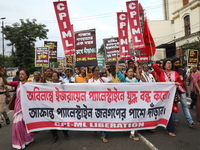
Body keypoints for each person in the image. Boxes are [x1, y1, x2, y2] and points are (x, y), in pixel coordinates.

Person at [0, 67, 34, 149]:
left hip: (27, 108)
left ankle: (27, 139)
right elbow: (6, 82)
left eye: (23, 74)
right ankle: (19, 142)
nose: (21, 75)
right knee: (18, 125)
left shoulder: (31, 84)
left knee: (25, 125)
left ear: (27, 76)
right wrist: (3, 75)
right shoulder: (17, 84)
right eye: (20, 74)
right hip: (18, 107)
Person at [153, 58, 183, 137]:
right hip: (162, 96)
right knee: (164, 111)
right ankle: (170, 129)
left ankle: (168, 127)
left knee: (170, 111)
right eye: (167, 63)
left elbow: (181, 83)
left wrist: (177, 84)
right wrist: (159, 62)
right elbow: (154, 66)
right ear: (164, 65)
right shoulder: (161, 72)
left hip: (172, 96)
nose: (169, 65)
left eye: (170, 63)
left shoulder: (175, 73)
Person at [116, 57, 139, 141]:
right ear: (126, 73)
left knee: (133, 116)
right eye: (129, 72)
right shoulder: (123, 80)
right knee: (126, 116)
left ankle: (132, 133)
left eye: (132, 72)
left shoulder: (136, 81)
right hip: (125, 102)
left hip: (134, 102)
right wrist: (118, 61)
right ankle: (126, 127)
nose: (131, 73)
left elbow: (139, 77)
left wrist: (136, 68)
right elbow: (117, 72)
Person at [171, 57, 199, 127]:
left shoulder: (181, 71)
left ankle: (190, 121)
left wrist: (186, 90)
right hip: (173, 91)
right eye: (176, 63)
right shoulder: (170, 71)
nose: (178, 64)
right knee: (174, 105)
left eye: (178, 63)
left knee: (185, 106)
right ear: (173, 64)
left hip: (181, 90)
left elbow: (184, 81)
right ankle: (175, 120)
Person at [88, 66, 111, 143]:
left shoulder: (103, 79)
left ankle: (103, 135)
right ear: (93, 72)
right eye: (96, 70)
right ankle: (95, 129)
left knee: (102, 118)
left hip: (102, 102)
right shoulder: (90, 81)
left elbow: (110, 78)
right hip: (93, 102)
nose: (98, 72)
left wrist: (106, 69)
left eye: (99, 70)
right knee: (94, 117)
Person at [50, 72, 69, 143]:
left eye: (55, 76)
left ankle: (65, 132)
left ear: (58, 78)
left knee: (63, 120)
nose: (54, 78)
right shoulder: (48, 85)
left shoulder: (62, 84)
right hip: (51, 107)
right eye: (53, 76)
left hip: (61, 107)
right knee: (52, 122)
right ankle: (55, 136)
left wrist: (65, 86)